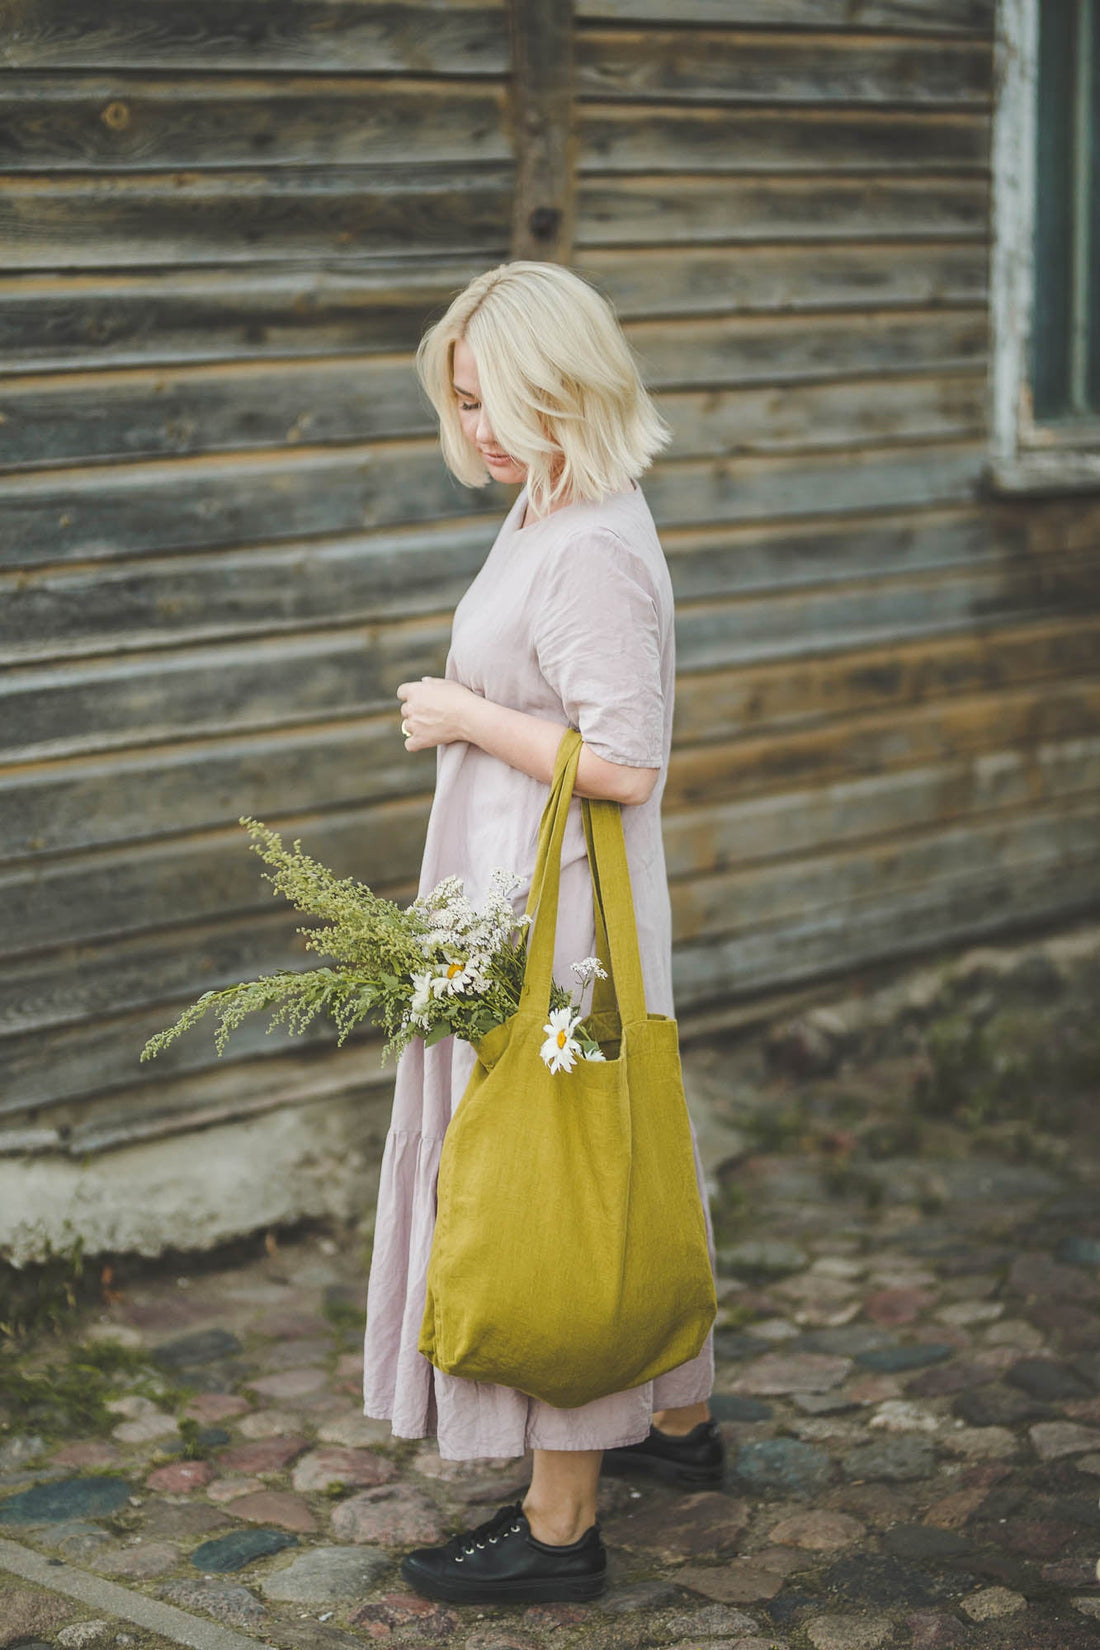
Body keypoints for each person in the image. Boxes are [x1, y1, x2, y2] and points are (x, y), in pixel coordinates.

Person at [361, 260, 722, 1604]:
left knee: (557, 1184)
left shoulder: (588, 546)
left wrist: (462, 714)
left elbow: (626, 759)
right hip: (517, 892)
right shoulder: (549, 505)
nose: (477, 428)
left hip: (560, 923)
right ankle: (678, 1430)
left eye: (495, 400)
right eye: (462, 402)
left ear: (564, 386)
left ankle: (562, 1526)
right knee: (603, 1162)